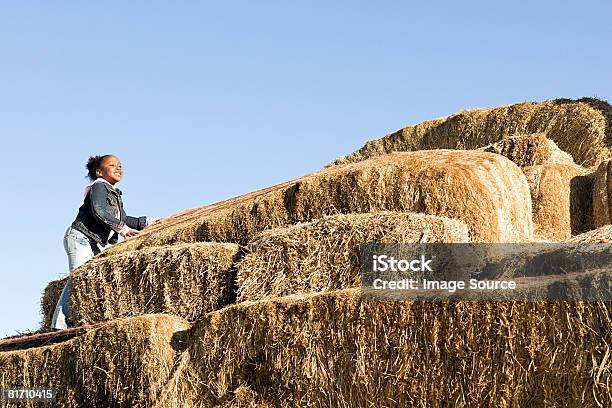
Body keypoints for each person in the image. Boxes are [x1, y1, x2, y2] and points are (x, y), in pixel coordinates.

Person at [51, 155, 159, 329]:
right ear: (99, 172)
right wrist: (123, 230)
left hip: (90, 241)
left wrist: (147, 222)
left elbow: (123, 218)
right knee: (80, 279)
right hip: (80, 238)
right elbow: (99, 211)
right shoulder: (99, 187)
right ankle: (62, 325)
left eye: (120, 165)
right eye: (112, 165)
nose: (118, 168)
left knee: (91, 276)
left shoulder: (114, 193)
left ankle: (71, 321)